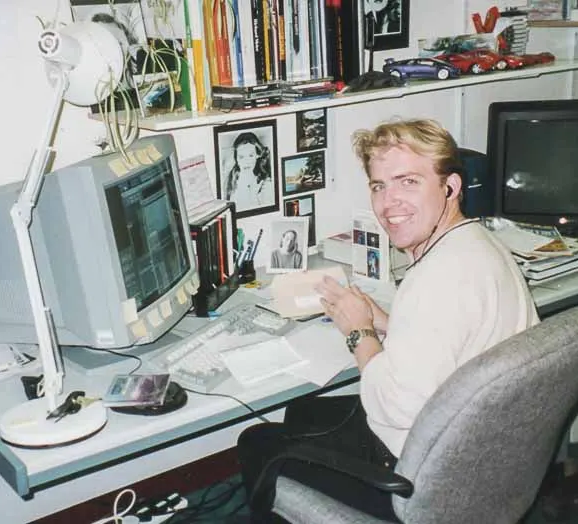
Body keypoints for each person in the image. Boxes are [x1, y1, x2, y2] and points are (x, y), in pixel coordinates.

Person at [237, 118, 539, 522]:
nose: (389, 203)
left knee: (258, 441)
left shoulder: (434, 280)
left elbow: (395, 411)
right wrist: (388, 321)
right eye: (380, 186)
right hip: (488, 457)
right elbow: (451, 337)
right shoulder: (479, 244)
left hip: (421, 479)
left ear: (450, 187)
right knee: (304, 415)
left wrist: (359, 332)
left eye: (408, 181)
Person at [224, 132, 274, 214]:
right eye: (241, 157)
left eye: (250, 155)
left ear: (257, 156)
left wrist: (253, 195)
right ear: (236, 159)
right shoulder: (231, 180)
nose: (246, 162)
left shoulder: (266, 183)